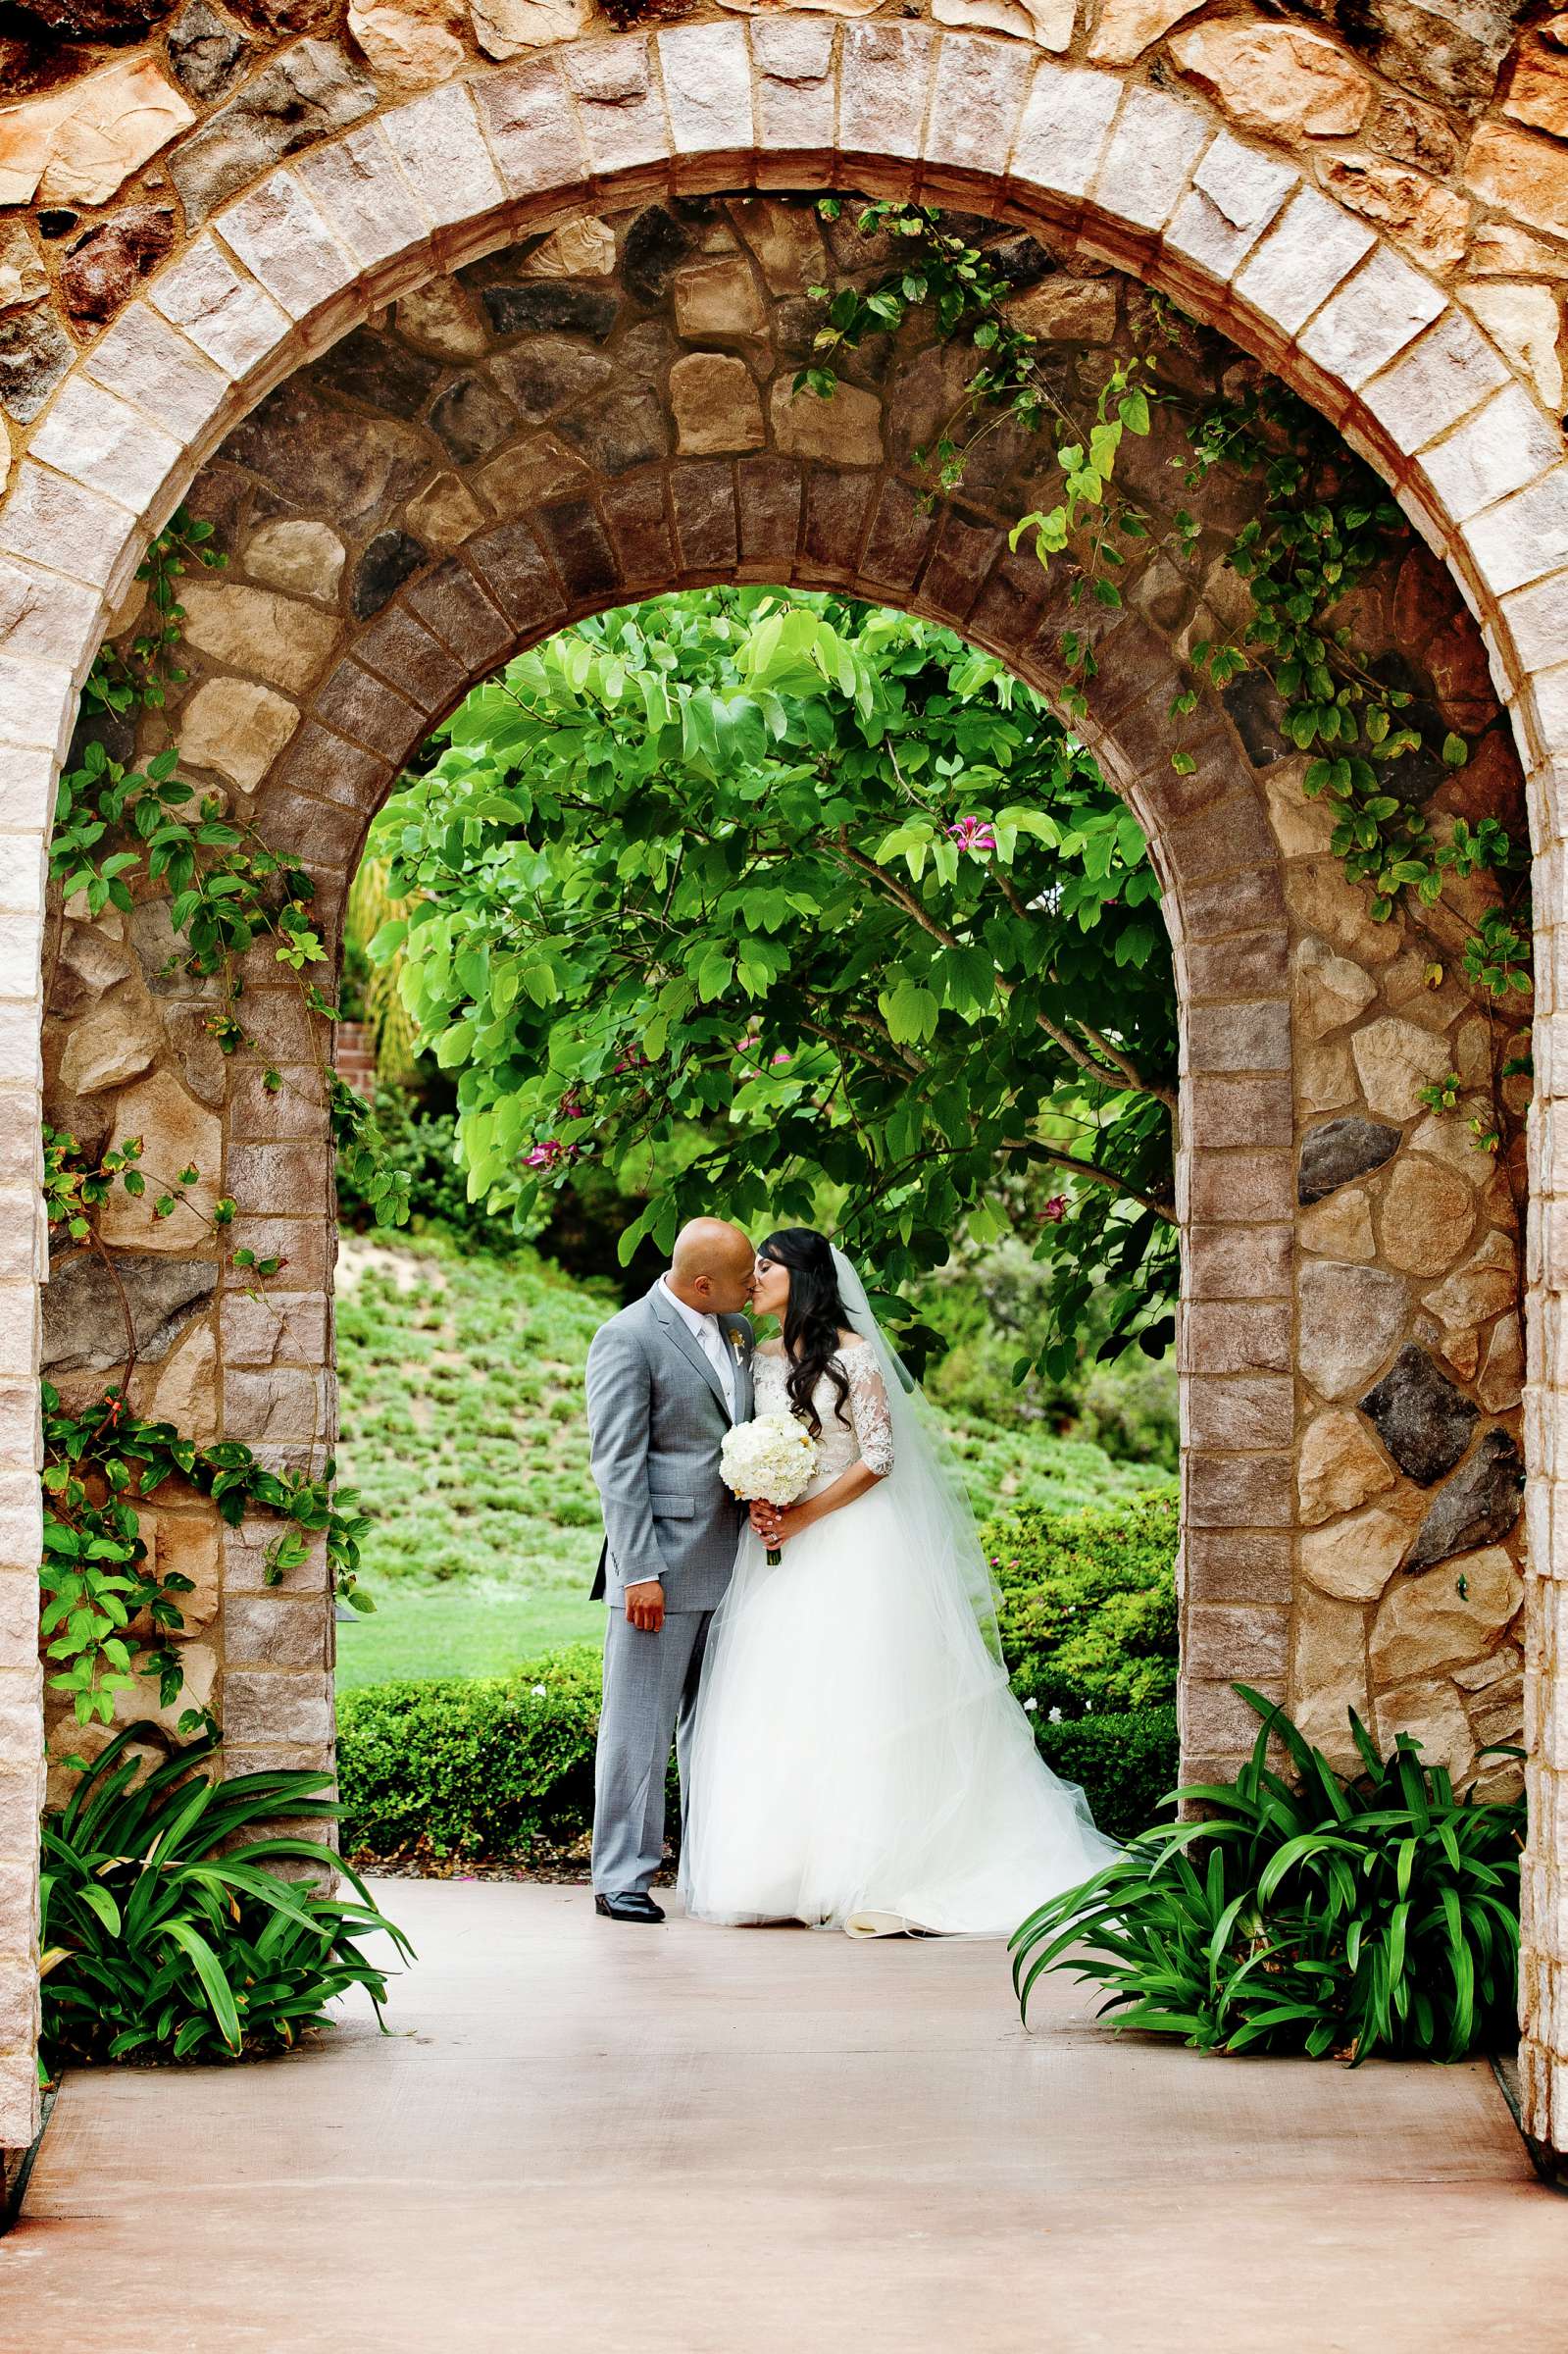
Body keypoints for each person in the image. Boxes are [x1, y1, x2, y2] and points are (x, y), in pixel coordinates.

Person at [679, 1228, 1119, 1936]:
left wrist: (804, 1516)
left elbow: (877, 1456)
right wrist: (762, 1495)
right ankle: (781, 1872)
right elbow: (760, 1446)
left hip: (852, 1545)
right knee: (783, 1697)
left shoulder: (854, 1357)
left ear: (806, 1277)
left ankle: (865, 1869)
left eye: (767, 1266)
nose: (752, 1276)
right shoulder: (755, 1359)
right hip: (775, 1557)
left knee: (859, 1696)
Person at [584, 1217, 756, 1922]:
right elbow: (617, 1464)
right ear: (703, 1281)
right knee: (639, 1724)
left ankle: (710, 1869)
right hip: (662, 1566)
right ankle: (621, 1876)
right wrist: (637, 1571)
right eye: (745, 1277)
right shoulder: (626, 1336)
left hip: (740, 1562)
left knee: (714, 1725)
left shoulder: (738, 1329)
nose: (754, 1287)